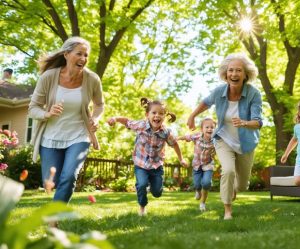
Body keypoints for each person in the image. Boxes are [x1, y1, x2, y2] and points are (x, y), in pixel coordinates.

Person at [28, 36, 104, 203]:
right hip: (50, 137)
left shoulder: (92, 79)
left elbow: (99, 105)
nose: (83, 59)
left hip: (79, 135)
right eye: (79, 54)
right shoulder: (49, 77)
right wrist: (47, 114)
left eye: (86, 55)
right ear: (66, 54)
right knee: (51, 182)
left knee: (69, 177)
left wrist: (96, 118)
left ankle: (54, 217)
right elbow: (33, 108)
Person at [187, 53, 263, 220]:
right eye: (230, 70)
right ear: (225, 73)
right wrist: (192, 115)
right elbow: (206, 102)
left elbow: (258, 121)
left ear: (245, 75)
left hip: (246, 142)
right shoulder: (219, 91)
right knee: (227, 171)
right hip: (223, 138)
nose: (234, 74)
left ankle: (235, 189)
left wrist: (244, 122)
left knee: (242, 186)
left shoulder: (253, 94)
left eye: (238, 70)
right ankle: (227, 210)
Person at [107, 97, 188, 216]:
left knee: (157, 193)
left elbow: (174, 144)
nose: (157, 116)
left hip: (156, 166)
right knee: (141, 184)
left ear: (164, 117)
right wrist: (115, 119)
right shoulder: (141, 125)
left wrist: (181, 159)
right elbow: (127, 121)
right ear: (147, 115)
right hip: (141, 164)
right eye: (154, 113)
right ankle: (142, 206)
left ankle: (152, 186)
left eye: (161, 113)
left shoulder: (166, 132)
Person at [178, 117, 216, 212]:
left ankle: (202, 203)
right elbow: (187, 137)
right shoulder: (197, 136)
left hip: (208, 164)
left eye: (212, 127)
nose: (210, 129)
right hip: (197, 165)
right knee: (197, 184)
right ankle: (198, 190)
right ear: (201, 129)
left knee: (206, 183)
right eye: (207, 127)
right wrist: (177, 138)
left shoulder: (216, 140)